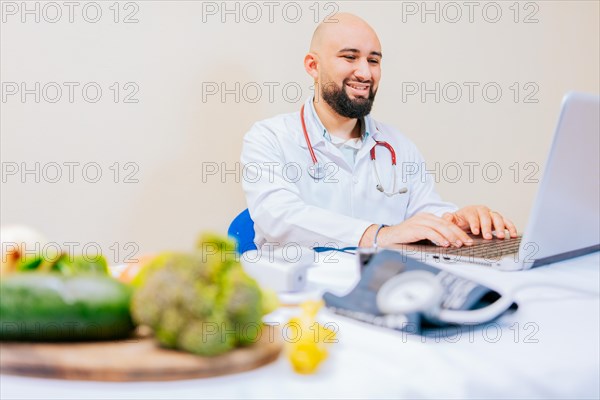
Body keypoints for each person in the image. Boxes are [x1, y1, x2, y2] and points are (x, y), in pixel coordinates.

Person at [241, 13, 517, 250]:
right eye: (350, 57)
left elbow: (424, 212)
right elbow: (277, 217)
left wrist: (457, 221)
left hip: (383, 294)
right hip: (297, 300)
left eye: (373, 61)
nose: (365, 73)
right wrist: (379, 235)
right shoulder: (269, 138)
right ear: (313, 66)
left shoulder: (399, 146)